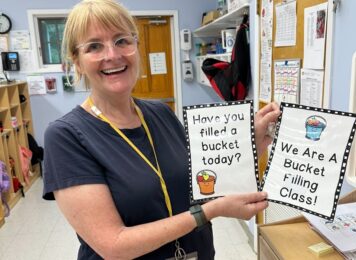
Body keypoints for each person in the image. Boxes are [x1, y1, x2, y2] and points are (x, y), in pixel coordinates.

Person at [42, 0, 281, 259]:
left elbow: (202, 179)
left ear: (136, 47)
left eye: (122, 40)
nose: (112, 55)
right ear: (77, 62)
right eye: (94, 46)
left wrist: (248, 145)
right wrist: (209, 211)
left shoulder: (161, 113)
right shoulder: (66, 136)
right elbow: (113, 245)